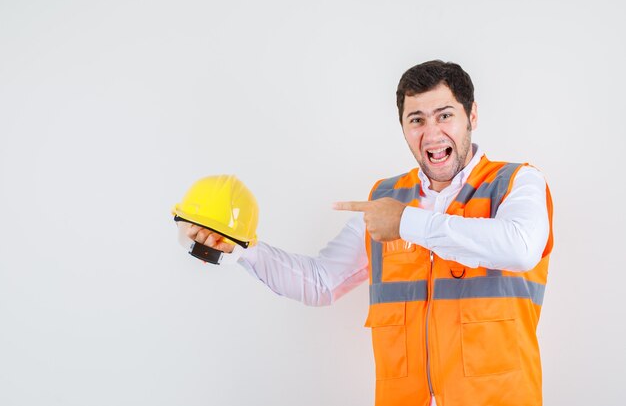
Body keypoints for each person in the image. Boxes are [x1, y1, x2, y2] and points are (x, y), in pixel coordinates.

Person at [182, 60, 553, 406]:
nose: (432, 132)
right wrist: (244, 249)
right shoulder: (384, 200)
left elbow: (521, 247)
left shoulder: (517, 183)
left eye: (445, 115)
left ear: (471, 114)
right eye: (417, 120)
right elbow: (322, 282)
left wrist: (405, 222)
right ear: (404, 128)